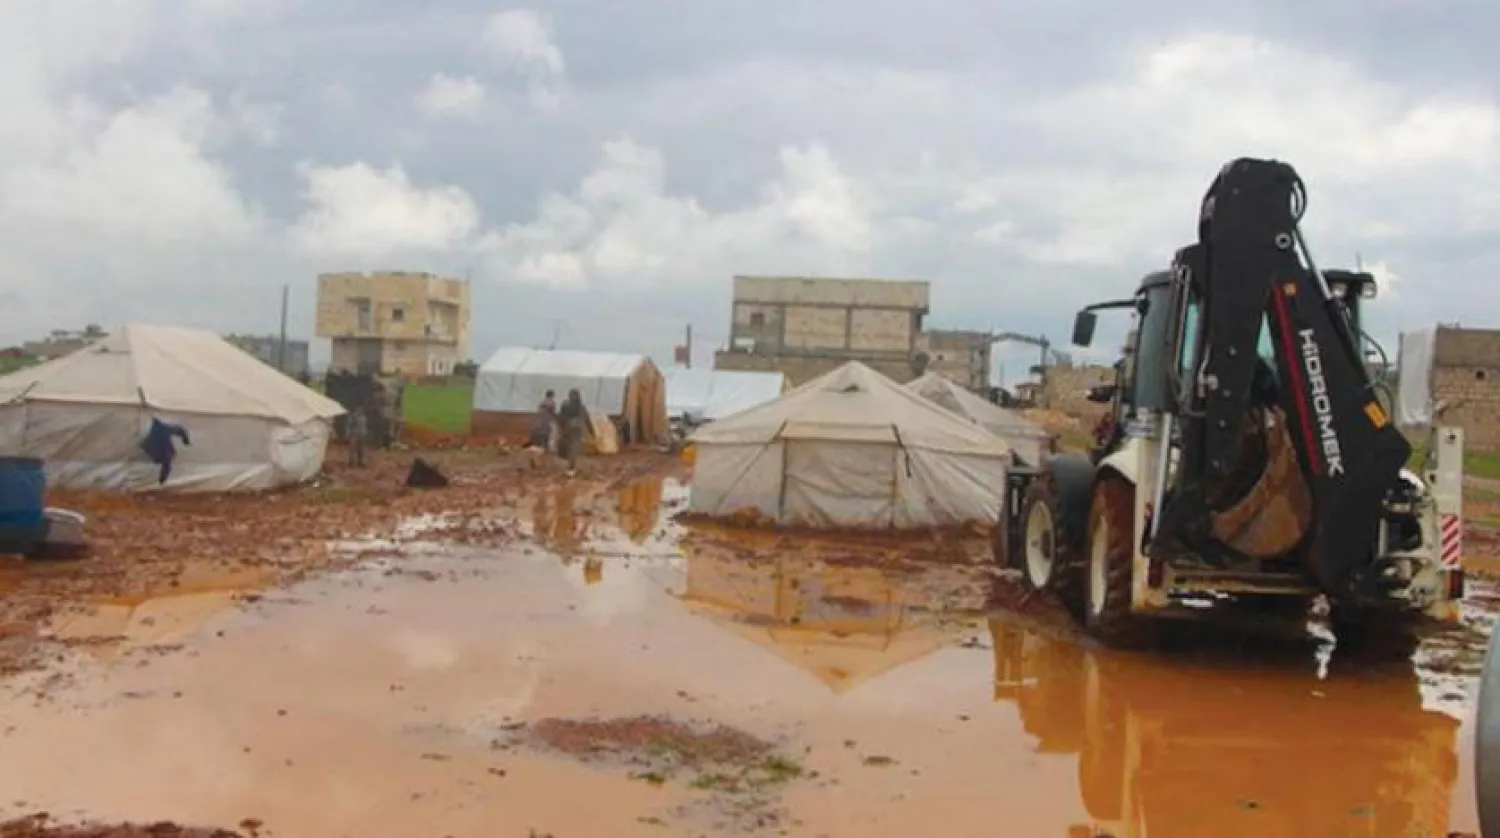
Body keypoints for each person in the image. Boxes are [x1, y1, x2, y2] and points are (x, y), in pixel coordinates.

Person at [557, 389, 591, 475]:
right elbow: (586, 419)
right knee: (573, 448)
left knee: (570, 447)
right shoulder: (580, 407)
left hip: (569, 429)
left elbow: (561, 417)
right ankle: (570, 467)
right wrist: (591, 431)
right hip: (575, 429)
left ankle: (569, 466)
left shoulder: (565, 405)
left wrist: (561, 428)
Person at [347, 401, 369, 468]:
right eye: (359, 408)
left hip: (362, 435)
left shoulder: (364, 417)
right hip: (355, 434)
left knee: (361, 449)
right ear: (356, 409)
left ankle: (360, 462)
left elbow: (365, 426)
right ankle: (351, 462)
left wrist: (366, 432)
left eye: (361, 409)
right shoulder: (353, 416)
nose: (360, 410)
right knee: (353, 449)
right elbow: (349, 425)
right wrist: (349, 434)